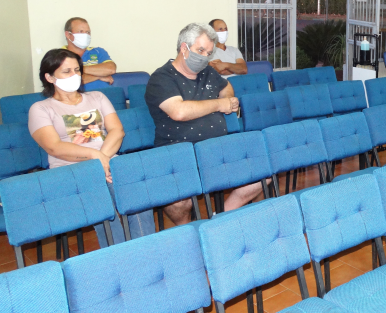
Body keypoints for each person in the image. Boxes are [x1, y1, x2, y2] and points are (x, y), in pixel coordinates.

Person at [29, 49, 154, 248]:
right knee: (103, 199)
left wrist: (101, 159)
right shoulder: (41, 108)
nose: (74, 75)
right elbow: (54, 147)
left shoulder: (97, 97)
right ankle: (119, 255)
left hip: (107, 160)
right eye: (66, 71)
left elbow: (117, 131)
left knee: (136, 189)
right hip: (70, 170)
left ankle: (145, 250)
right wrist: (94, 157)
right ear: (49, 77)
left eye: (77, 70)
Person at [145, 23, 263, 223]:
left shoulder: (207, 72)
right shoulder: (161, 78)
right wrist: (219, 104)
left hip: (216, 149)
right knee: (179, 203)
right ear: (184, 48)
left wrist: (228, 99)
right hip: (178, 153)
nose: (204, 57)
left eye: (208, 53)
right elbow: (179, 111)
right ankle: (189, 232)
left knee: (262, 172)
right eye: (200, 51)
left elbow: (226, 87)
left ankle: (218, 219)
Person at [63, 17, 116, 90]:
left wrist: (78, 70)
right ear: (68, 34)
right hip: (78, 96)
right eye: (80, 31)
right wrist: (99, 76)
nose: (85, 35)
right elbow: (69, 82)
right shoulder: (58, 56)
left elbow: (110, 69)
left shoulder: (98, 51)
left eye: (88, 32)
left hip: (105, 94)